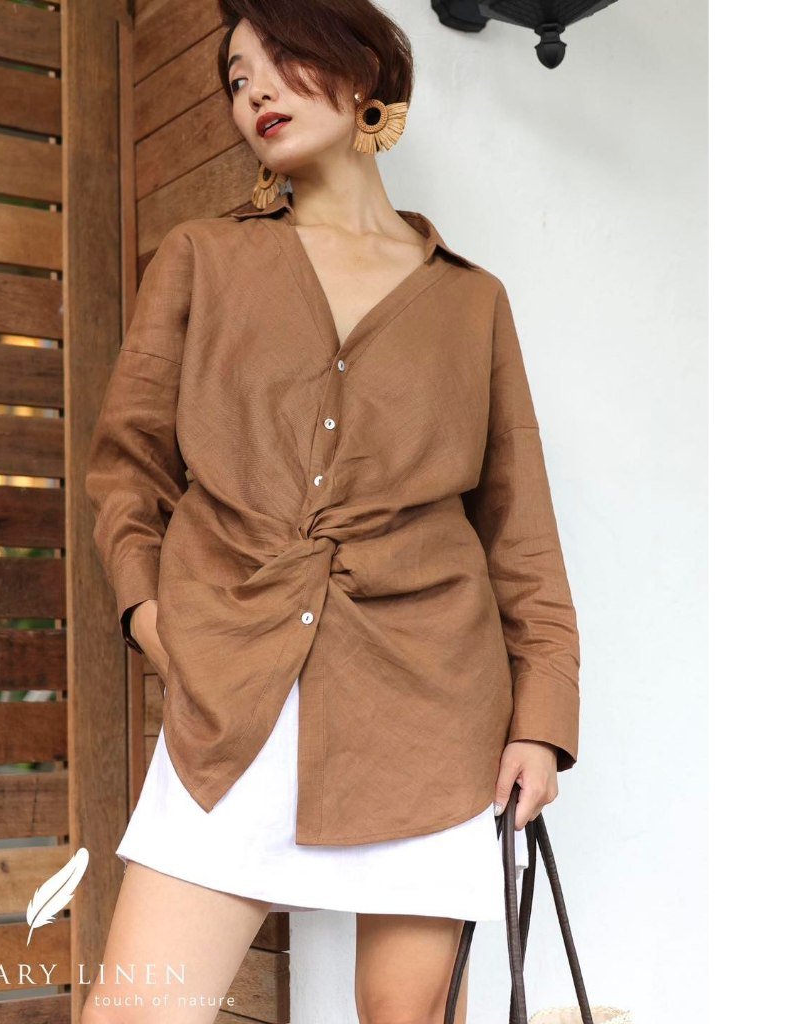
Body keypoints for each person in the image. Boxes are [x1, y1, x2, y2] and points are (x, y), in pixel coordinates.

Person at [81, 3, 580, 1022]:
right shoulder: (202, 257)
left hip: (432, 715)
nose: (255, 91)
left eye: (283, 60)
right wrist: (155, 622)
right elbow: (128, 469)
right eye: (236, 78)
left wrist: (542, 722)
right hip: (234, 693)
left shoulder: (472, 302)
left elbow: (518, 530)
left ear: (363, 78)